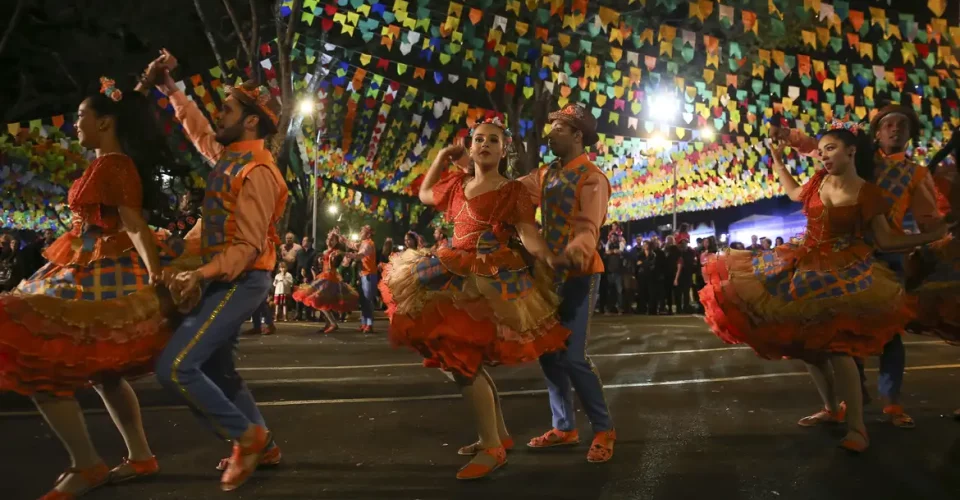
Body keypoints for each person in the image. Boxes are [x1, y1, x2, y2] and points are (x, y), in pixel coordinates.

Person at [700, 126, 947, 453]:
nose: (824, 155)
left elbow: (886, 240)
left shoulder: (869, 193)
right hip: (804, 265)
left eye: (831, 149)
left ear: (851, 151)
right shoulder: (818, 181)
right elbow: (793, 194)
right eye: (822, 150)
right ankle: (832, 408)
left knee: (837, 347)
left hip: (845, 271)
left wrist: (932, 236)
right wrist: (777, 163)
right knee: (807, 344)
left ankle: (857, 426)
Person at [0, 76, 188, 498]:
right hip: (85, 261)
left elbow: (134, 221)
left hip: (100, 269)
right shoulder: (107, 161)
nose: (74, 123)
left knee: (42, 357)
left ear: (105, 123)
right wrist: (146, 80)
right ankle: (140, 455)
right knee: (102, 372)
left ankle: (87, 464)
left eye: (82, 116)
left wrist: (157, 275)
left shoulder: (114, 165)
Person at [380, 117, 570, 480]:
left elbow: (528, 234)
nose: (484, 145)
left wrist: (550, 258)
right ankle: (496, 436)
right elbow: (424, 194)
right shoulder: (458, 185)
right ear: (469, 148)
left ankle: (492, 446)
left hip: (487, 281)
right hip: (449, 271)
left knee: (463, 361)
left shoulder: (512, 191)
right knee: (459, 362)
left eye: (493, 140)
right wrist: (439, 157)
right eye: (478, 140)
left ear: (504, 149)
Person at [145, 50, 287, 491]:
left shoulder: (259, 172)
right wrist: (171, 89)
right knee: (221, 373)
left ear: (250, 122)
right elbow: (200, 131)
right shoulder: (230, 158)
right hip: (224, 275)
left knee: (177, 368)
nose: (218, 114)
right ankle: (264, 444)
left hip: (242, 278)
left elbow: (247, 247)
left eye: (227, 108)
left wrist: (200, 275)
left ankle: (246, 437)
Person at [773, 105, 942, 429]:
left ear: (911, 134)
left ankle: (891, 403)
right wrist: (788, 138)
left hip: (887, 253)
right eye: (888, 124)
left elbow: (928, 218)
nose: (894, 130)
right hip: (845, 254)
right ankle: (852, 400)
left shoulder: (917, 173)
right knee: (841, 333)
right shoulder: (860, 158)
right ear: (875, 133)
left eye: (901, 126)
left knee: (889, 332)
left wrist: (934, 237)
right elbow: (816, 147)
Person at [518, 103, 617, 463]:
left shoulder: (592, 177)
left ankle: (604, 429)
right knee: (548, 354)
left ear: (578, 135)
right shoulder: (546, 174)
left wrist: (577, 248)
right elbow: (512, 194)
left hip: (580, 273)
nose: (550, 134)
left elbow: (589, 225)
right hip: (549, 274)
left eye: (558, 129)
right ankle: (564, 427)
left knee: (573, 357)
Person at [292, 231, 360, 333]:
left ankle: (333, 323)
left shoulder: (336, 252)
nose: (329, 241)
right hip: (324, 276)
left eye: (332, 240)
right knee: (322, 301)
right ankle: (328, 323)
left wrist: (334, 259)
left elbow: (339, 264)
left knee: (320, 300)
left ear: (336, 241)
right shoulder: (324, 252)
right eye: (328, 239)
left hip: (330, 278)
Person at [343, 226, 378, 333]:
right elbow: (353, 245)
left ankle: (369, 324)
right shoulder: (363, 243)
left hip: (369, 274)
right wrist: (343, 239)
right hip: (364, 274)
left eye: (362, 231)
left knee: (367, 300)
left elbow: (360, 255)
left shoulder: (368, 244)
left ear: (368, 234)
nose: (360, 232)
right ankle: (364, 322)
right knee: (363, 300)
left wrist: (346, 254)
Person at [294, 237, 317, 320]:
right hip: (300, 277)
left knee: (308, 296)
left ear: (310, 242)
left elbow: (313, 265)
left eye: (305, 240)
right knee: (299, 296)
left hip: (309, 277)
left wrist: (308, 276)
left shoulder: (314, 253)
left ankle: (308, 315)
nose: (303, 242)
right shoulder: (299, 252)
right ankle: (298, 314)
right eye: (303, 240)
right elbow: (297, 264)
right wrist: (297, 276)